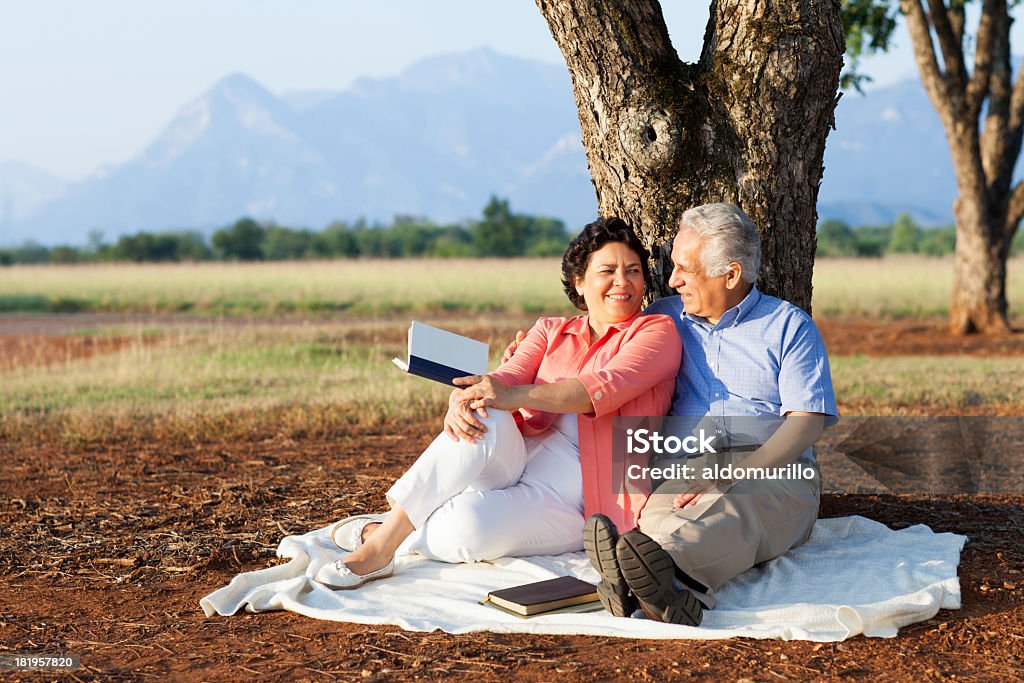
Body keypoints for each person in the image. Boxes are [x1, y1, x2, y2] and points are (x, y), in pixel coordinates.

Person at [314, 217, 681, 590]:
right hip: (515, 457)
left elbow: (598, 388)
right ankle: (379, 548)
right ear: (580, 282)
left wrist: (512, 395)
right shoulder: (550, 330)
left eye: (633, 271)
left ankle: (384, 529)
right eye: (608, 270)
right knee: (482, 410)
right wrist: (468, 395)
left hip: (578, 501)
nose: (623, 282)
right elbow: (508, 375)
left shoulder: (656, 333)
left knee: (465, 529)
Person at [586, 203, 838, 626]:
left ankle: (651, 578)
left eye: (686, 268)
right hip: (685, 466)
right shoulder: (662, 318)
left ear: (731, 275)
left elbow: (807, 422)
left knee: (729, 509)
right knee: (658, 519)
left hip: (772, 469)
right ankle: (654, 582)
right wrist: (532, 350)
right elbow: (598, 357)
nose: (672, 280)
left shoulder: (788, 327)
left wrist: (735, 473)